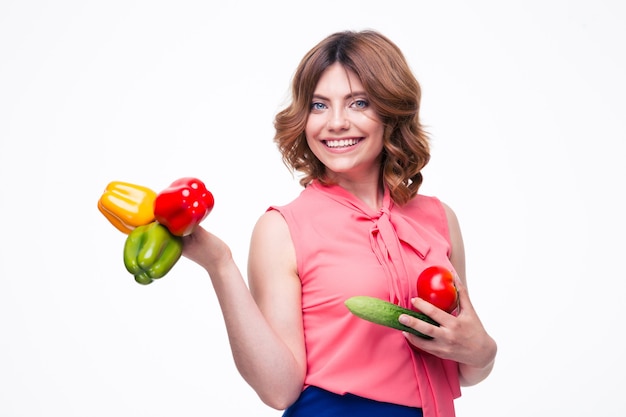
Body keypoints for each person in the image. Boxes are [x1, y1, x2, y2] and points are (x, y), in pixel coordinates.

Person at [182, 29, 497, 417]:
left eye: (358, 103)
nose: (335, 123)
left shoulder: (439, 218)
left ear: (391, 111)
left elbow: (461, 364)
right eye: (318, 105)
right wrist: (220, 264)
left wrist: (483, 353)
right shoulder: (283, 228)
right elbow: (279, 390)